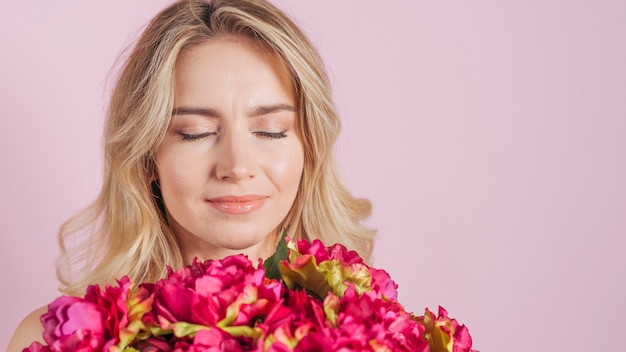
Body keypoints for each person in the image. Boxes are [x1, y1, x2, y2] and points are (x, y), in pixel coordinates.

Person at [8, 0, 375, 349]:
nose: (237, 167)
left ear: (309, 147)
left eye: (271, 130)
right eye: (195, 132)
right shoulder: (55, 341)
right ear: (147, 155)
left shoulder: (371, 334)